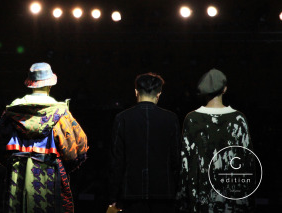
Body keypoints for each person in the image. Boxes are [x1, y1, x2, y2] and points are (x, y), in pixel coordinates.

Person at [0, 62, 89, 213]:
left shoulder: (13, 111)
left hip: (18, 175)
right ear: (50, 85)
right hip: (50, 176)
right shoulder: (60, 112)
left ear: (30, 84)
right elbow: (76, 150)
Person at [177, 69, 253, 212]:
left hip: (200, 198)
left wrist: (183, 200)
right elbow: (248, 162)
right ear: (225, 89)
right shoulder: (238, 119)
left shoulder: (192, 119)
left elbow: (185, 163)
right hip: (231, 198)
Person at [108, 73, 180, 213]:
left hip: (131, 193)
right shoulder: (171, 119)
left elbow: (116, 161)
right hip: (163, 193)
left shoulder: (122, 118)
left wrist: (112, 196)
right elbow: (176, 160)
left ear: (136, 92)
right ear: (158, 94)